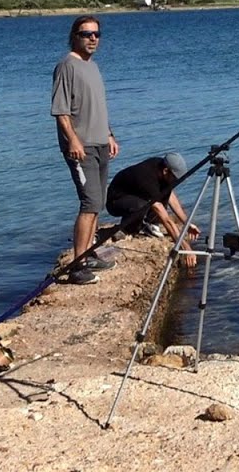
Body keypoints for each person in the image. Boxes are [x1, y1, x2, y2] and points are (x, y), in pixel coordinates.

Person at [51, 15, 120, 285]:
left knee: (98, 202)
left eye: (96, 34)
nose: (92, 39)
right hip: (82, 147)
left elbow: (97, 107)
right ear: (74, 36)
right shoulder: (66, 66)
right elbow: (60, 111)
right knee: (89, 202)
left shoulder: (93, 67)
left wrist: (110, 134)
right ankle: (77, 266)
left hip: (101, 142)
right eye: (86, 34)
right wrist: (73, 141)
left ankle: (90, 253)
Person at [107, 152, 201, 266]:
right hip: (116, 201)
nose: (177, 182)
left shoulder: (162, 168)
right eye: (175, 178)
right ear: (166, 171)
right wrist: (185, 247)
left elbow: (170, 196)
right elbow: (163, 216)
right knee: (141, 206)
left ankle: (151, 224)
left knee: (164, 191)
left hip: (136, 194)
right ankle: (129, 229)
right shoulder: (146, 177)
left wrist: (187, 224)